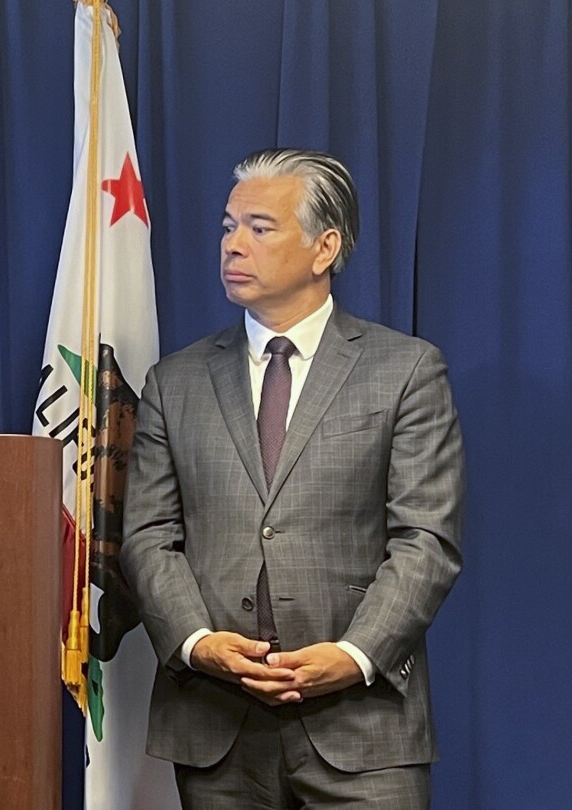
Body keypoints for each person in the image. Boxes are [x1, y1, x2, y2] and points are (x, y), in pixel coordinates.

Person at [120, 148, 464, 808]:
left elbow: (427, 540)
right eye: (228, 227)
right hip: (217, 726)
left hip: (363, 728)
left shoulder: (406, 371)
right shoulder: (175, 382)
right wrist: (197, 643)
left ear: (324, 247)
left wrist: (355, 655)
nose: (233, 244)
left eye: (259, 227)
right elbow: (147, 536)